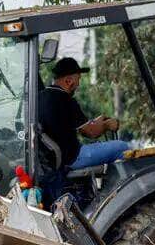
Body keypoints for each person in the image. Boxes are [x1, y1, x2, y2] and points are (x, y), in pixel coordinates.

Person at [39, 57, 128, 201]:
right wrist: (107, 125)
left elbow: (83, 126)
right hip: (73, 157)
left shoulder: (42, 97)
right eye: (78, 79)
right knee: (122, 147)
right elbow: (91, 133)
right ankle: (121, 197)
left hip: (53, 160)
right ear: (68, 81)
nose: (79, 84)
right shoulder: (65, 99)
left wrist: (98, 121)